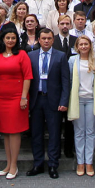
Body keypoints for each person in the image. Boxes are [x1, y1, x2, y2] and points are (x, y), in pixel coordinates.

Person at [27, 26, 70, 178]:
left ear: (53, 40)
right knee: (36, 134)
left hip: (54, 100)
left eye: (49, 38)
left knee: (54, 134)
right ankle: (38, 164)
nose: (46, 41)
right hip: (36, 99)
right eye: (43, 38)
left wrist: (64, 101)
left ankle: (53, 165)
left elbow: (65, 81)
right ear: (38, 40)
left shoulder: (60, 56)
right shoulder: (30, 56)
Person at [0, 28, 32, 179]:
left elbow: (28, 77)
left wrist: (23, 97)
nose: (10, 40)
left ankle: (14, 165)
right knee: (5, 132)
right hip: (1, 98)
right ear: (2, 39)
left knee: (14, 131)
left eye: (13, 38)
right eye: (7, 38)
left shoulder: (22, 55)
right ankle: (8, 164)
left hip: (17, 98)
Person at [68, 34, 95, 177]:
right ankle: (80, 162)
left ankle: (89, 162)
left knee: (90, 132)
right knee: (79, 132)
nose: (83, 47)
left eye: (86, 44)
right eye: (81, 44)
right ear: (77, 46)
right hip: (77, 99)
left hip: (92, 99)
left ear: (90, 46)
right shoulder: (72, 60)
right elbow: (70, 79)